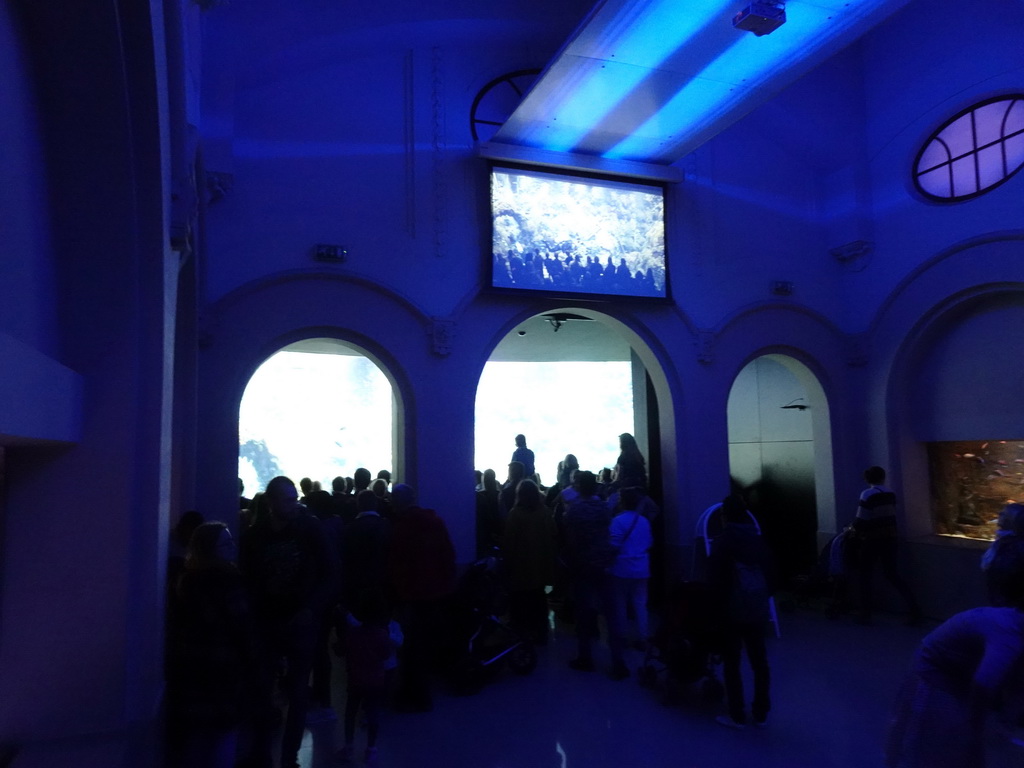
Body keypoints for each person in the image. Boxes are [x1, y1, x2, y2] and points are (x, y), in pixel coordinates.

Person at [237, 476, 338, 768]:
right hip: (286, 622)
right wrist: (313, 607)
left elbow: (331, 572)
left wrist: (310, 608)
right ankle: (284, 757)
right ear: (271, 503)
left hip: (281, 622)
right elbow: (331, 572)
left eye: (294, 499)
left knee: (273, 690)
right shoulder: (307, 530)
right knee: (288, 692)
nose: (294, 504)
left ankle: (270, 754)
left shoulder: (256, 535)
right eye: (289, 500)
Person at [885, 599, 1024, 767]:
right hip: (934, 669)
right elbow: (983, 686)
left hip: (960, 670)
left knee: (952, 736)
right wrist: (975, 737)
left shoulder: (1013, 624)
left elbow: (1018, 683)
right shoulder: (1009, 636)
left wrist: (1005, 722)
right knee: (924, 738)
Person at [165, 521, 253, 768]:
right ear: (212, 550)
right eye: (226, 543)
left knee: (195, 738)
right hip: (223, 669)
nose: (232, 547)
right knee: (223, 736)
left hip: (190, 668)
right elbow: (241, 627)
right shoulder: (229, 582)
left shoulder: (183, 581)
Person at [708, 494, 777, 729]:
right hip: (756, 605)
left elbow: (715, 579)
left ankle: (736, 713)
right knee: (759, 661)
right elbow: (770, 572)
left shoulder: (723, 540)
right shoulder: (757, 539)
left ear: (724, 515)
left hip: (731, 608)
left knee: (732, 661)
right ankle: (761, 712)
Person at [389, 483, 457, 711]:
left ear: (398, 503)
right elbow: (449, 555)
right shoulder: (435, 523)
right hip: (436, 593)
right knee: (426, 644)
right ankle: (423, 692)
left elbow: (397, 565)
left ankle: (417, 696)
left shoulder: (401, 528)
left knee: (411, 647)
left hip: (411, 595)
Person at [561, 471, 623, 678]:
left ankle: (585, 657)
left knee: (584, 614)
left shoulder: (574, 510)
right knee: (611, 615)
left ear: (579, 486)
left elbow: (571, 539)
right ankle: (618, 662)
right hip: (604, 565)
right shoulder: (604, 508)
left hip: (583, 566)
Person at [336, 589, 403, 767]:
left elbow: (343, 651)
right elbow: (385, 655)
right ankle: (371, 749)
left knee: (350, 712)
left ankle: (349, 747)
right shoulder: (382, 635)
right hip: (375, 680)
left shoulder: (354, 634)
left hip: (355, 679)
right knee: (374, 714)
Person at [853, 466, 922, 625]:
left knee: (865, 574)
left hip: (872, 539)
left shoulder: (867, 494)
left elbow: (862, 519)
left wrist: (853, 530)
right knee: (892, 574)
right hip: (891, 538)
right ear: (883, 477)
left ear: (867, 479)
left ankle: (865, 612)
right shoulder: (891, 493)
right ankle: (914, 609)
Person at [502, 479, 557, 644]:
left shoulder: (515, 514)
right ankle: (540, 634)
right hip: (540, 567)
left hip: (520, 567)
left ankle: (519, 636)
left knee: (519, 602)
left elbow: (509, 542)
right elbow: (553, 537)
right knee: (539, 600)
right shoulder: (545, 513)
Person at [606, 487, 653, 652]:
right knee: (641, 604)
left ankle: (623, 637)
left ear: (622, 502)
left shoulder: (617, 521)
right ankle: (643, 637)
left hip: (621, 568)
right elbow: (649, 544)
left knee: (620, 604)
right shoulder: (644, 521)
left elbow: (613, 545)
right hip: (642, 568)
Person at [983, 503, 1024, 607]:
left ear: (1015, 519)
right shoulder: (1003, 542)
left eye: (1005, 513)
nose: (1000, 514)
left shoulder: (1015, 545)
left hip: (1011, 605)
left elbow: (1006, 572)